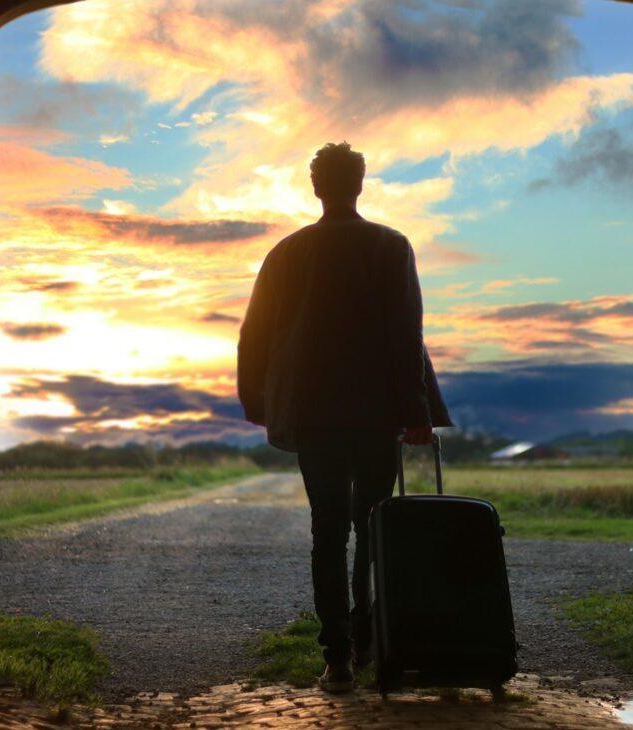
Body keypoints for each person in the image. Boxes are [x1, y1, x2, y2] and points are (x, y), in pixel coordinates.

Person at [237, 142, 452, 693]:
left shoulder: (286, 253)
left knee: (327, 531)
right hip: (377, 412)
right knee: (374, 527)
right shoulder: (390, 246)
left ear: (316, 187)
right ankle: (369, 640)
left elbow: (255, 334)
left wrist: (260, 403)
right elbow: (408, 337)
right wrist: (417, 413)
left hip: (313, 415)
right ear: (359, 184)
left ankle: (337, 660)